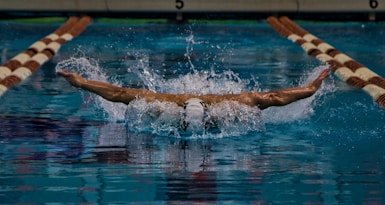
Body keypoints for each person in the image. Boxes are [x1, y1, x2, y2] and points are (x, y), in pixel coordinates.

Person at [57, 68, 330, 132]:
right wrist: (80, 82)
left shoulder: (231, 102)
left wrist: (309, 89)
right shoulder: (165, 101)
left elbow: (272, 97)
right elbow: (117, 94)